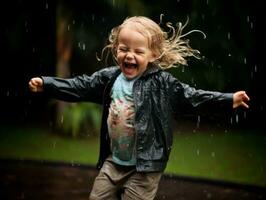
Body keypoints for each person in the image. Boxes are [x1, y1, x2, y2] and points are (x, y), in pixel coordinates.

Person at [28, 16, 250, 200]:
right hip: (114, 161)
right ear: (116, 50)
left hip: (145, 167)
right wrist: (48, 84)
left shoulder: (162, 83)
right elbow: (80, 85)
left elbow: (193, 97)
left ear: (153, 55)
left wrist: (227, 99)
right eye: (124, 49)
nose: (130, 55)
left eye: (138, 51)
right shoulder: (110, 78)